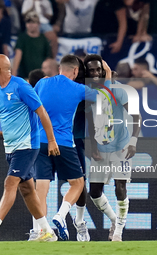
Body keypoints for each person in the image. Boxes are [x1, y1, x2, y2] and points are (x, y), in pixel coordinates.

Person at [0, 54, 59, 242]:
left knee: (10, 183)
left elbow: (41, 112)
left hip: (27, 146)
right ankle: (47, 232)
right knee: (27, 190)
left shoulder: (21, 86)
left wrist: (52, 140)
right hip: (10, 148)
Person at [33, 55, 106, 241]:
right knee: (78, 183)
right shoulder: (78, 89)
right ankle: (61, 215)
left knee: (41, 188)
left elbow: (32, 104)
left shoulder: (42, 83)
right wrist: (105, 69)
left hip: (40, 141)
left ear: (60, 68)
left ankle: (40, 231)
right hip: (63, 142)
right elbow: (104, 94)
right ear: (75, 71)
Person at [84, 54, 141, 242]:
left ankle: (118, 233)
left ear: (104, 71)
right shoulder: (89, 95)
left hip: (121, 147)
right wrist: (93, 147)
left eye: (98, 70)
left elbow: (136, 116)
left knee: (120, 187)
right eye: (91, 70)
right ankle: (116, 220)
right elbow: (91, 123)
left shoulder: (119, 91)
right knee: (94, 193)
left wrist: (133, 141)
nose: (95, 73)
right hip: (101, 148)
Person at [12, 11, 51, 79]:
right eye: (28, 22)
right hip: (25, 77)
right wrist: (13, 76)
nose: (30, 25)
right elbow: (18, 56)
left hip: (40, 78)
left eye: (33, 22)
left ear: (39, 24)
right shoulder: (22, 38)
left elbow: (48, 59)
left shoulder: (43, 39)